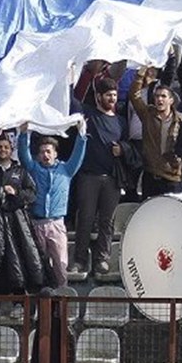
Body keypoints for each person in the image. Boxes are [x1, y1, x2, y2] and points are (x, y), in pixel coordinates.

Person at [73, 78, 135, 276]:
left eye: (115, 95)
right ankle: (79, 260)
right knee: (85, 218)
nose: (112, 98)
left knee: (107, 222)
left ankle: (102, 259)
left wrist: (122, 150)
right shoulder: (88, 115)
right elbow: (72, 101)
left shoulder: (121, 122)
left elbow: (131, 148)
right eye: (108, 95)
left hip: (112, 178)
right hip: (88, 176)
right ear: (99, 96)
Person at [18, 121, 87, 288]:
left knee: (60, 266)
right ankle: (36, 307)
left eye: (48, 151)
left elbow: (78, 154)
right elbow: (23, 155)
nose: (45, 155)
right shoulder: (33, 168)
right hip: (36, 224)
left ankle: (61, 305)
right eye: (42, 152)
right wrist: (24, 134)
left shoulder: (66, 170)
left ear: (55, 153)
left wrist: (82, 134)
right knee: (36, 267)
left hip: (56, 224)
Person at [0, 134, 40, 317]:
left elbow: (32, 193)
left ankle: (18, 303)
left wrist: (16, 192)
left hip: (16, 223)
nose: (3, 150)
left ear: (11, 149)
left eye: (6, 147)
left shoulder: (20, 171)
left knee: (17, 261)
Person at [128, 67, 182, 197]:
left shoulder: (181, 120)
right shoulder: (148, 114)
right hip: (151, 175)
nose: (160, 99)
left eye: (163, 96)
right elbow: (134, 95)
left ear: (171, 100)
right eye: (157, 96)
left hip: (173, 178)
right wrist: (140, 75)